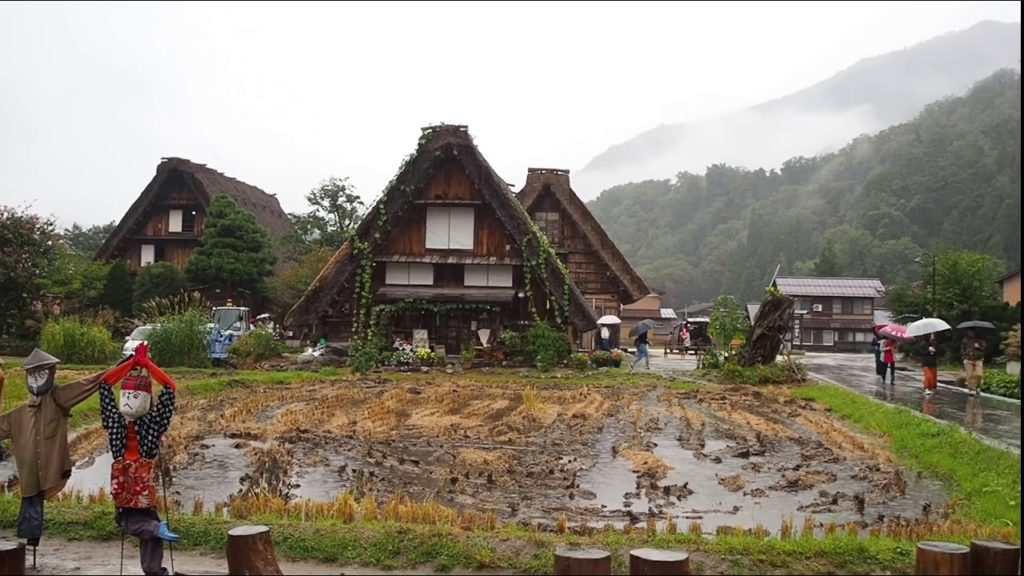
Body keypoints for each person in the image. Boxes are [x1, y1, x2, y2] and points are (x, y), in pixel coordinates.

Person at [0, 349, 110, 560]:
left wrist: (121, 368)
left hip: (52, 467)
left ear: (51, 374)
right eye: (32, 375)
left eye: (41, 375)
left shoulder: (58, 399)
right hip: (30, 473)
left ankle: (30, 542)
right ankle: (29, 541)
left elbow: (88, 384)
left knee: (34, 501)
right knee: (30, 501)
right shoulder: (18, 415)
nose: (36, 380)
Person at [100, 344, 179, 576]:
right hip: (144, 479)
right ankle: (154, 565)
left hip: (123, 477)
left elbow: (104, 384)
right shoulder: (154, 423)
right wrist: (146, 366)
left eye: (135, 396)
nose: (130, 400)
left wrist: (131, 365)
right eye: (129, 396)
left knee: (127, 519)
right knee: (147, 519)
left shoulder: (115, 420)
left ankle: (155, 537)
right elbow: (170, 388)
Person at [961, 328, 985, 396]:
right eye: (969, 332)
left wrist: (978, 347)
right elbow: (962, 348)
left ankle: (977, 387)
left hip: (978, 359)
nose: (970, 333)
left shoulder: (980, 340)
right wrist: (964, 356)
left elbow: (984, 348)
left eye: (972, 332)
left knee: (979, 374)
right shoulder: (965, 340)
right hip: (968, 359)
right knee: (970, 375)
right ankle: (971, 389)